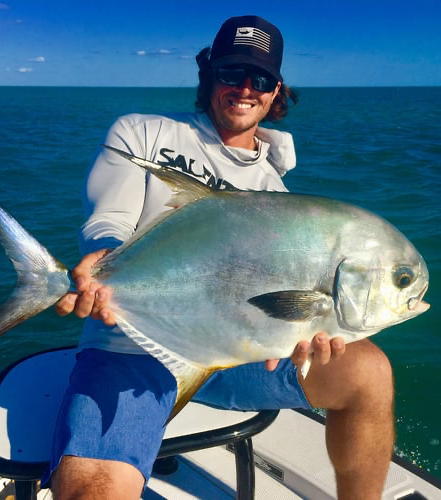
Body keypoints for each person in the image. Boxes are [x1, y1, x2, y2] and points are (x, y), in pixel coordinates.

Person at [48, 15, 394, 499]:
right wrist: (103, 260)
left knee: (370, 371)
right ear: (209, 75)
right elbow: (108, 219)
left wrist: (299, 336)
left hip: (234, 357)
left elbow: (277, 307)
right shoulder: (144, 134)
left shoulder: (276, 193)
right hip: (131, 346)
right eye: (232, 73)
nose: (245, 89)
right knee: (95, 493)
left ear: (276, 92)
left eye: (261, 79)